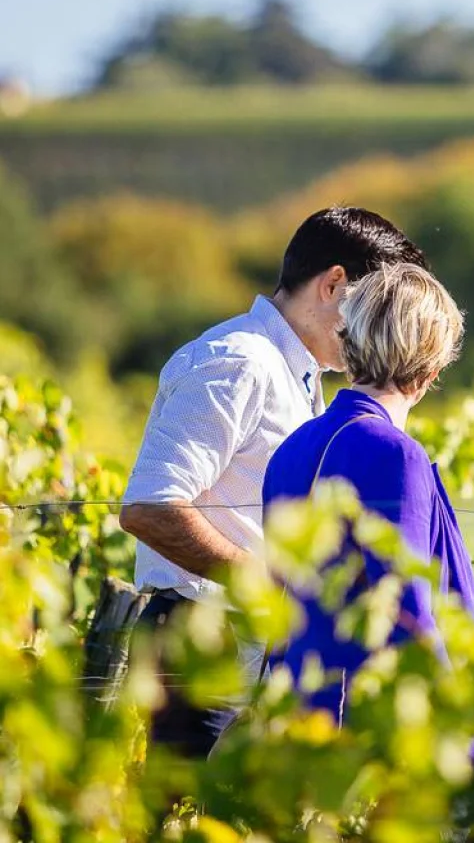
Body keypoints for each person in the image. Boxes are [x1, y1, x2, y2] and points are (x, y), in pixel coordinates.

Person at [119, 207, 426, 759]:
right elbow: (149, 506)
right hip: (204, 644)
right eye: (372, 306)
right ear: (334, 284)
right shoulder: (240, 362)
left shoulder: (293, 373)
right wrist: (270, 586)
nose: (375, 328)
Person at [262, 262, 474, 723]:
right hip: (365, 730)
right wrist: (468, 742)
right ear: (431, 366)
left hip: (296, 718)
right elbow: (409, 617)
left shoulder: (291, 448)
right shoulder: (395, 454)